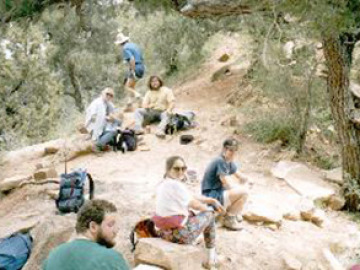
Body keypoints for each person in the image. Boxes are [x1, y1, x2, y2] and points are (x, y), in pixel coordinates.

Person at [154, 156, 225, 269]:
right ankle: (211, 260)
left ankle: (202, 246)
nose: (181, 171)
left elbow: (190, 196)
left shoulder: (164, 183)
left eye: (183, 168)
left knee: (193, 213)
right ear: (168, 170)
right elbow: (193, 203)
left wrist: (211, 200)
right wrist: (210, 210)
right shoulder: (175, 185)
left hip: (163, 232)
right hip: (177, 235)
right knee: (209, 215)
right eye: (176, 169)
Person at [43, 199, 129, 270]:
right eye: (111, 225)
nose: (116, 230)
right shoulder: (110, 258)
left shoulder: (53, 256)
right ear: (93, 227)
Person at [201, 138, 248, 231]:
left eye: (234, 150)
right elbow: (225, 182)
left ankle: (231, 213)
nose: (232, 153)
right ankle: (229, 218)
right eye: (230, 150)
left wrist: (245, 181)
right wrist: (239, 189)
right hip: (212, 195)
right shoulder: (220, 161)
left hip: (218, 193)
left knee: (243, 189)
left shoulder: (228, 161)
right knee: (244, 193)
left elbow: (240, 176)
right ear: (224, 149)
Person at [84, 87, 117, 152]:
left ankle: (103, 143)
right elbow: (94, 118)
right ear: (102, 93)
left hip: (100, 129)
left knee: (115, 130)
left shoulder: (106, 103)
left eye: (111, 95)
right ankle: (97, 145)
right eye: (107, 94)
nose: (108, 96)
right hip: (94, 129)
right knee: (113, 131)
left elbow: (114, 110)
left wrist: (111, 116)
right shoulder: (97, 103)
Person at [114, 33, 145, 99]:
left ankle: (140, 96)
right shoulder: (134, 46)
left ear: (120, 44)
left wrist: (133, 71)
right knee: (132, 87)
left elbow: (132, 59)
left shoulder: (125, 48)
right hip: (141, 67)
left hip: (136, 67)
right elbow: (141, 57)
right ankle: (131, 103)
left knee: (127, 87)